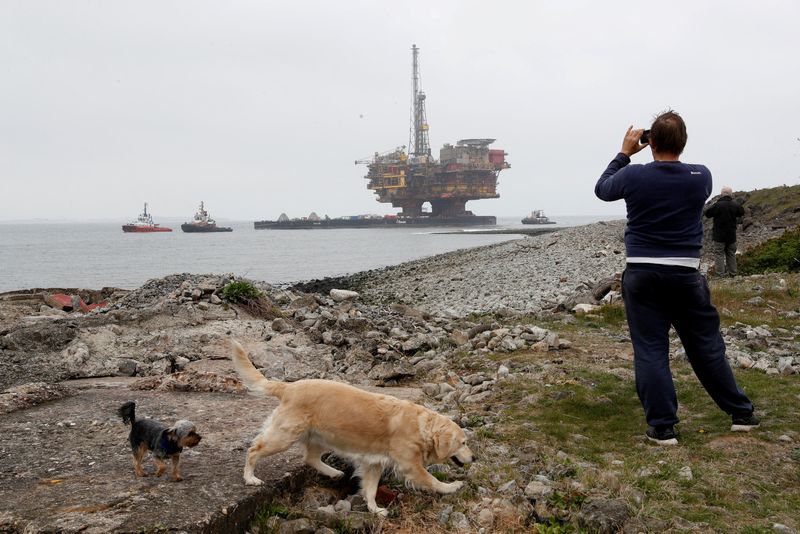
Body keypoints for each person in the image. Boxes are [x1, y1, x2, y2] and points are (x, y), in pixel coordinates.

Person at [594, 110, 759, 445]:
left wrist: (624, 153)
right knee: (706, 348)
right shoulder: (701, 176)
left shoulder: (634, 175)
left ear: (649, 141)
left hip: (642, 275)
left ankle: (663, 427)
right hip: (686, 275)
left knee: (651, 350)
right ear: (684, 142)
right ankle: (741, 413)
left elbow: (602, 189)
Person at [704, 186, 745, 276]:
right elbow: (741, 211)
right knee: (731, 253)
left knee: (719, 254)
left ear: (721, 194)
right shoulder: (734, 204)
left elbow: (707, 213)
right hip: (731, 235)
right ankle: (733, 274)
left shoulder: (718, 205)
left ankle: (720, 275)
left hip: (719, 235)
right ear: (731, 194)